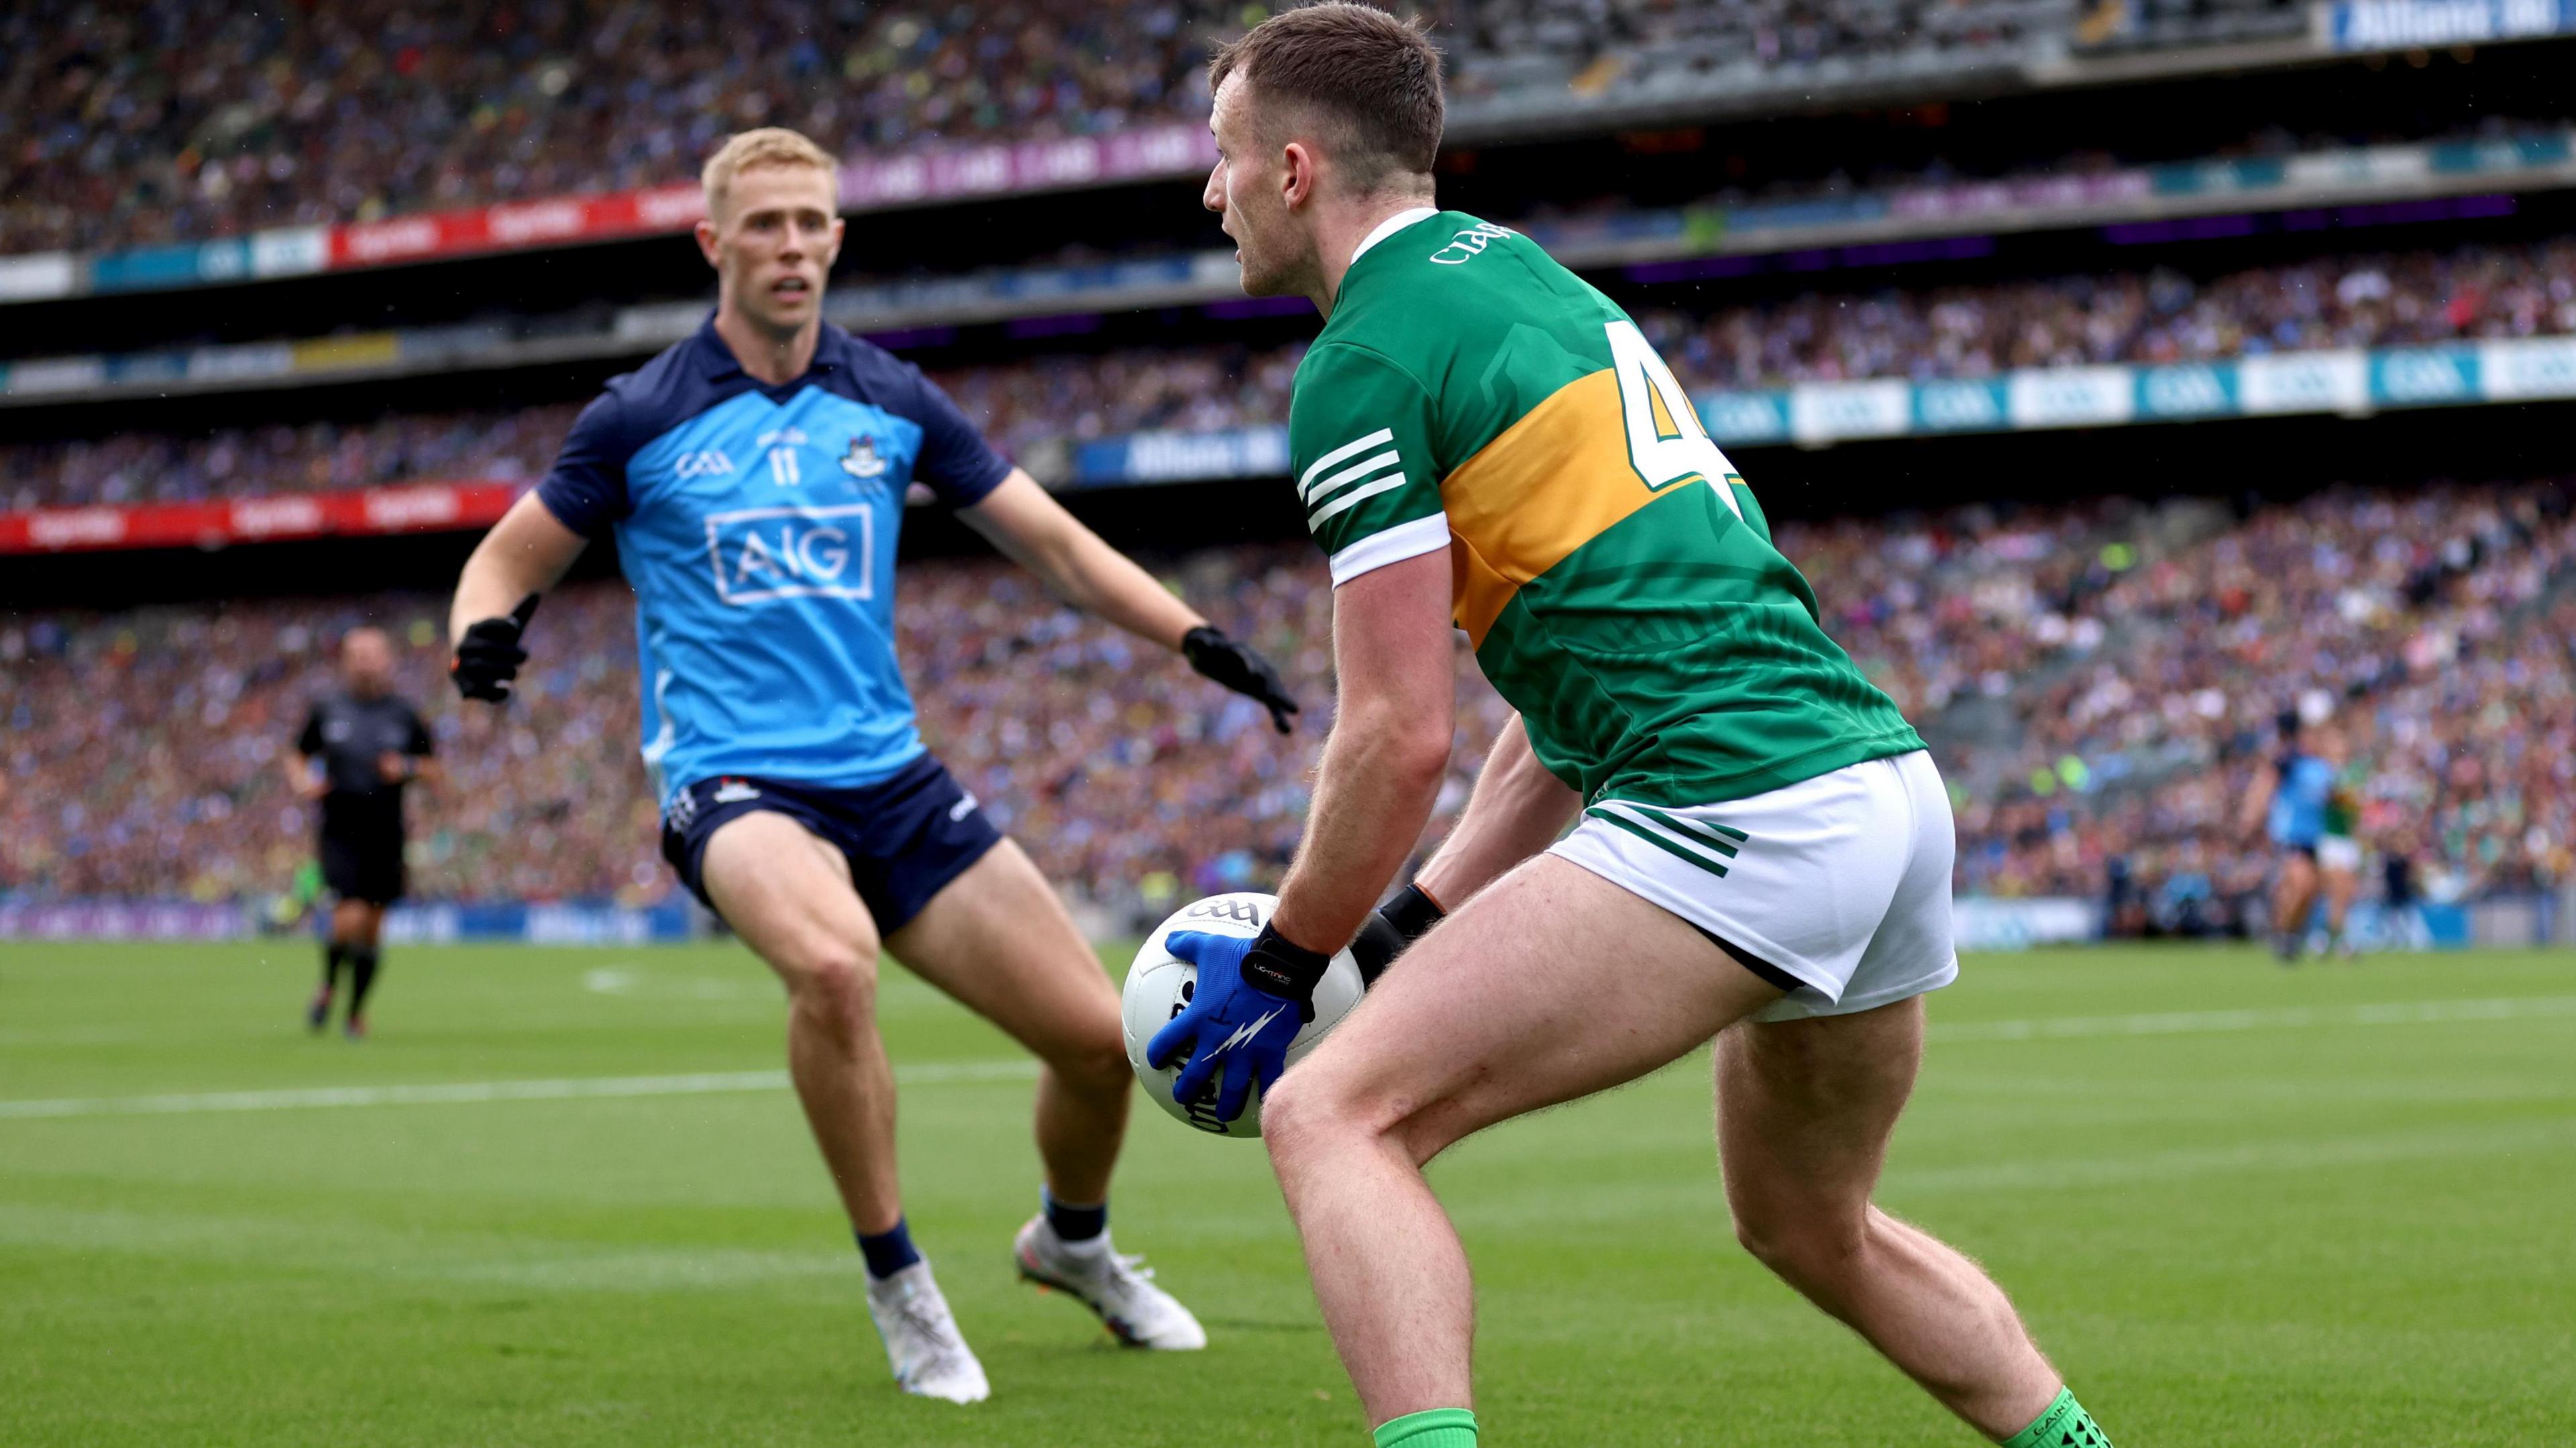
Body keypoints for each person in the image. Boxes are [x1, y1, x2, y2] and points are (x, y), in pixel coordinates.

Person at [1147, 9, 2116, 1448]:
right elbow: (1549, 723)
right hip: (1882, 790)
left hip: (1740, 805)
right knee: (1809, 1222)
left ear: (1293, 169)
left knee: (1332, 1115)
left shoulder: (1366, 360)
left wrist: (1290, 959)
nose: (1209, 192)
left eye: (1224, 159)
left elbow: (1395, 733)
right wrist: (1411, 919)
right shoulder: (1534, 287)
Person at [444, 127, 1300, 1403]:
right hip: (731, 778)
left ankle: (1069, 1243)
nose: (791, 245)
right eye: (766, 223)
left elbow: (1055, 546)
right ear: (713, 243)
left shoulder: (891, 400)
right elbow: (509, 557)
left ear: (839, 237)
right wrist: (481, 633)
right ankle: (900, 1279)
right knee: (834, 965)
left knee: (1097, 1039)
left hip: (891, 775)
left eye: (811, 222)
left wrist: (1196, 635)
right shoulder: (639, 415)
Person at [286, 626, 435, 1038]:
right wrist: (304, 781)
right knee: (347, 917)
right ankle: (329, 986)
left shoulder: (405, 714)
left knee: (371, 928)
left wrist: (405, 768)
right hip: (340, 831)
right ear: (345, 661)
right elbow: (297, 755)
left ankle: (355, 1012)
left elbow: (433, 767)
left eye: (374, 653)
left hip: (387, 832)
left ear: (389, 660)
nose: (366, 661)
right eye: (358, 654)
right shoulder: (327, 710)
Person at [2241, 716, 2337, 961]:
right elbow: (2266, 783)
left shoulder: (2324, 769)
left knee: (2308, 891)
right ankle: (2283, 934)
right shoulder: (2291, 762)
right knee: (2302, 883)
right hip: (2291, 835)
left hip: (2314, 838)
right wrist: (2252, 817)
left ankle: (2289, 935)